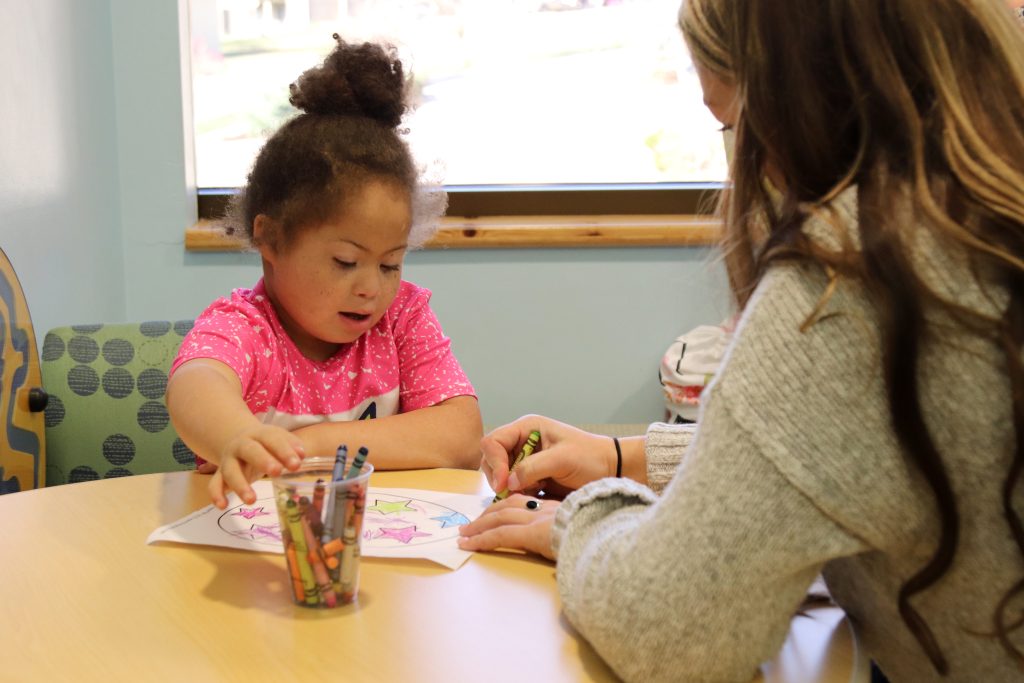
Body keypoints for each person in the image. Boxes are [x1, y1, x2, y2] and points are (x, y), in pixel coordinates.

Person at [459, 1, 1024, 681]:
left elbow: (672, 628)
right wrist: (625, 456)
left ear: (793, 95)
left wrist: (581, 517)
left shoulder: (855, 277)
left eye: (732, 124)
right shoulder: (979, 201)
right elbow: (860, 453)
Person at [167, 36, 482, 510]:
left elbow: (460, 436)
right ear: (270, 239)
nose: (372, 288)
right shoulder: (245, 326)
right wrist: (235, 436)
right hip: (254, 557)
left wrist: (311, 445)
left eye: (390, 263)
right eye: (346, 262)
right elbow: (194, 385)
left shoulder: (402, 319)